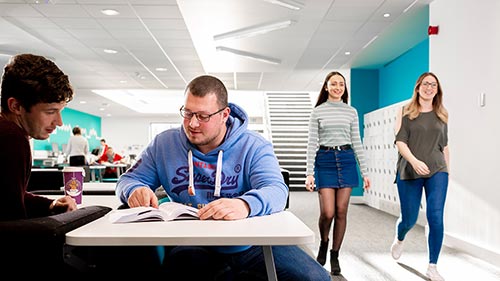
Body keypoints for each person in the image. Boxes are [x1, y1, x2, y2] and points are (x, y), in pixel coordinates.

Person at [116, 75, 330, 281]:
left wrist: (245, 204)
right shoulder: (163, 144)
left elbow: (276, 189)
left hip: (252, 242)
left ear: (225, 115)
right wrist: (133, 190)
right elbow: (127, 180)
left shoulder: (253, 145)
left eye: (203, 116)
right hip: (193, 242)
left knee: (316, 278)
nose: (192, 124)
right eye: (187, 113)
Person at [305, 71, 371, 275]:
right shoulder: (318, 111)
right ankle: (324, 242)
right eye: (333, 84)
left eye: (341, 84)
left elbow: (357, 141)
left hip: (346, 159)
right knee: (328, 212)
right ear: (326, 87)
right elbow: (312, 143)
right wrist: (309, 173)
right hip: (324, 161)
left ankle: (335, 254)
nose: (337, 87)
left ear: (344, 88)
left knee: (341, 211)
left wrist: (365, 171)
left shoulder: (351, 111)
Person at [0, 53, 77, 221]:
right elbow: (12, 223)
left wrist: (50, 205)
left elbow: (9, 198)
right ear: (16, 106)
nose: (59, 122)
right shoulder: (12, 137)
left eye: (60, 111)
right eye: (50, 112)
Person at [390, 72, 449, 281]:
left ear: (437, 89)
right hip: (409, 169)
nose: (429, 88)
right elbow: (400, 142)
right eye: (426, 84)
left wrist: (447, 170)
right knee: (410, 218)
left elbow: (444, 146)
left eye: (433, 85)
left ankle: (432, 266)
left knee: (435, 216)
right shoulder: (405, 111)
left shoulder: (442, 114)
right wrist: (415, 162)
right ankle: (400, 237)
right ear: (418, 87)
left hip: (437, 171)